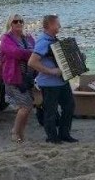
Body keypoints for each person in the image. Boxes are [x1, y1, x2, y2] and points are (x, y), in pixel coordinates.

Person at [28, 14, 76, 144]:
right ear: (49, 25)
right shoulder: (43, 42)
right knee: (51, 111)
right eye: (57, 24)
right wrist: (51, 71)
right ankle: (52, 138)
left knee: (69, 106)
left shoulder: (54, 40)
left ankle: (64, 134)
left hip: (62, 82)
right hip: (49, 83)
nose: (59, 26)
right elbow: (32, 62)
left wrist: (76, 60)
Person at [0, 14, 36, 143]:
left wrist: (29, 53)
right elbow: (15, 53)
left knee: (28, 106)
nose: (19, 23)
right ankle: (15, 131)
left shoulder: (28, 37)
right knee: (25, 105)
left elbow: (36, 50)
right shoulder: (6, 38)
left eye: (21, 21)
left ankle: (21, 133)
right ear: (10, 23)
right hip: (14, 77)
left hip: (27, 77)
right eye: (16, 21)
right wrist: (30, 53)